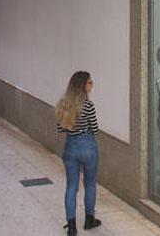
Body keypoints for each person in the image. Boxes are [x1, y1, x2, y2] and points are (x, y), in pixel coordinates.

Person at [55, 71, 102, 235]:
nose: (92, 85)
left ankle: (72, 226)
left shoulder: (63, 104)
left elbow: (60, 128)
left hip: (70, 147)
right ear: (82, 86)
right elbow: (94, 129)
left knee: (71, 186)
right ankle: (89, 220)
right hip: (88, 145)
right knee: (89, 184)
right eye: (90, 82)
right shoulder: (88, 106)